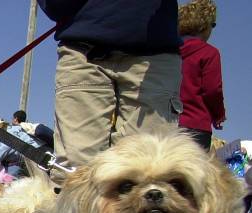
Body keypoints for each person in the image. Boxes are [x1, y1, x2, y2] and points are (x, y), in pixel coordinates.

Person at [38, 0, 182, 169]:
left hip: (154, 54)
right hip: (83, 52)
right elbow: (54, 7)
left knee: (151, 167)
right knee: (75, 172)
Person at [178, 0, 225, 151]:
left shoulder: (168, 50)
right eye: (213, 25)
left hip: (167, 121)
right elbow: (212, 89)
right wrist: (219, 115)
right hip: (196, 125)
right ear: (205, 25)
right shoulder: (209, 53)